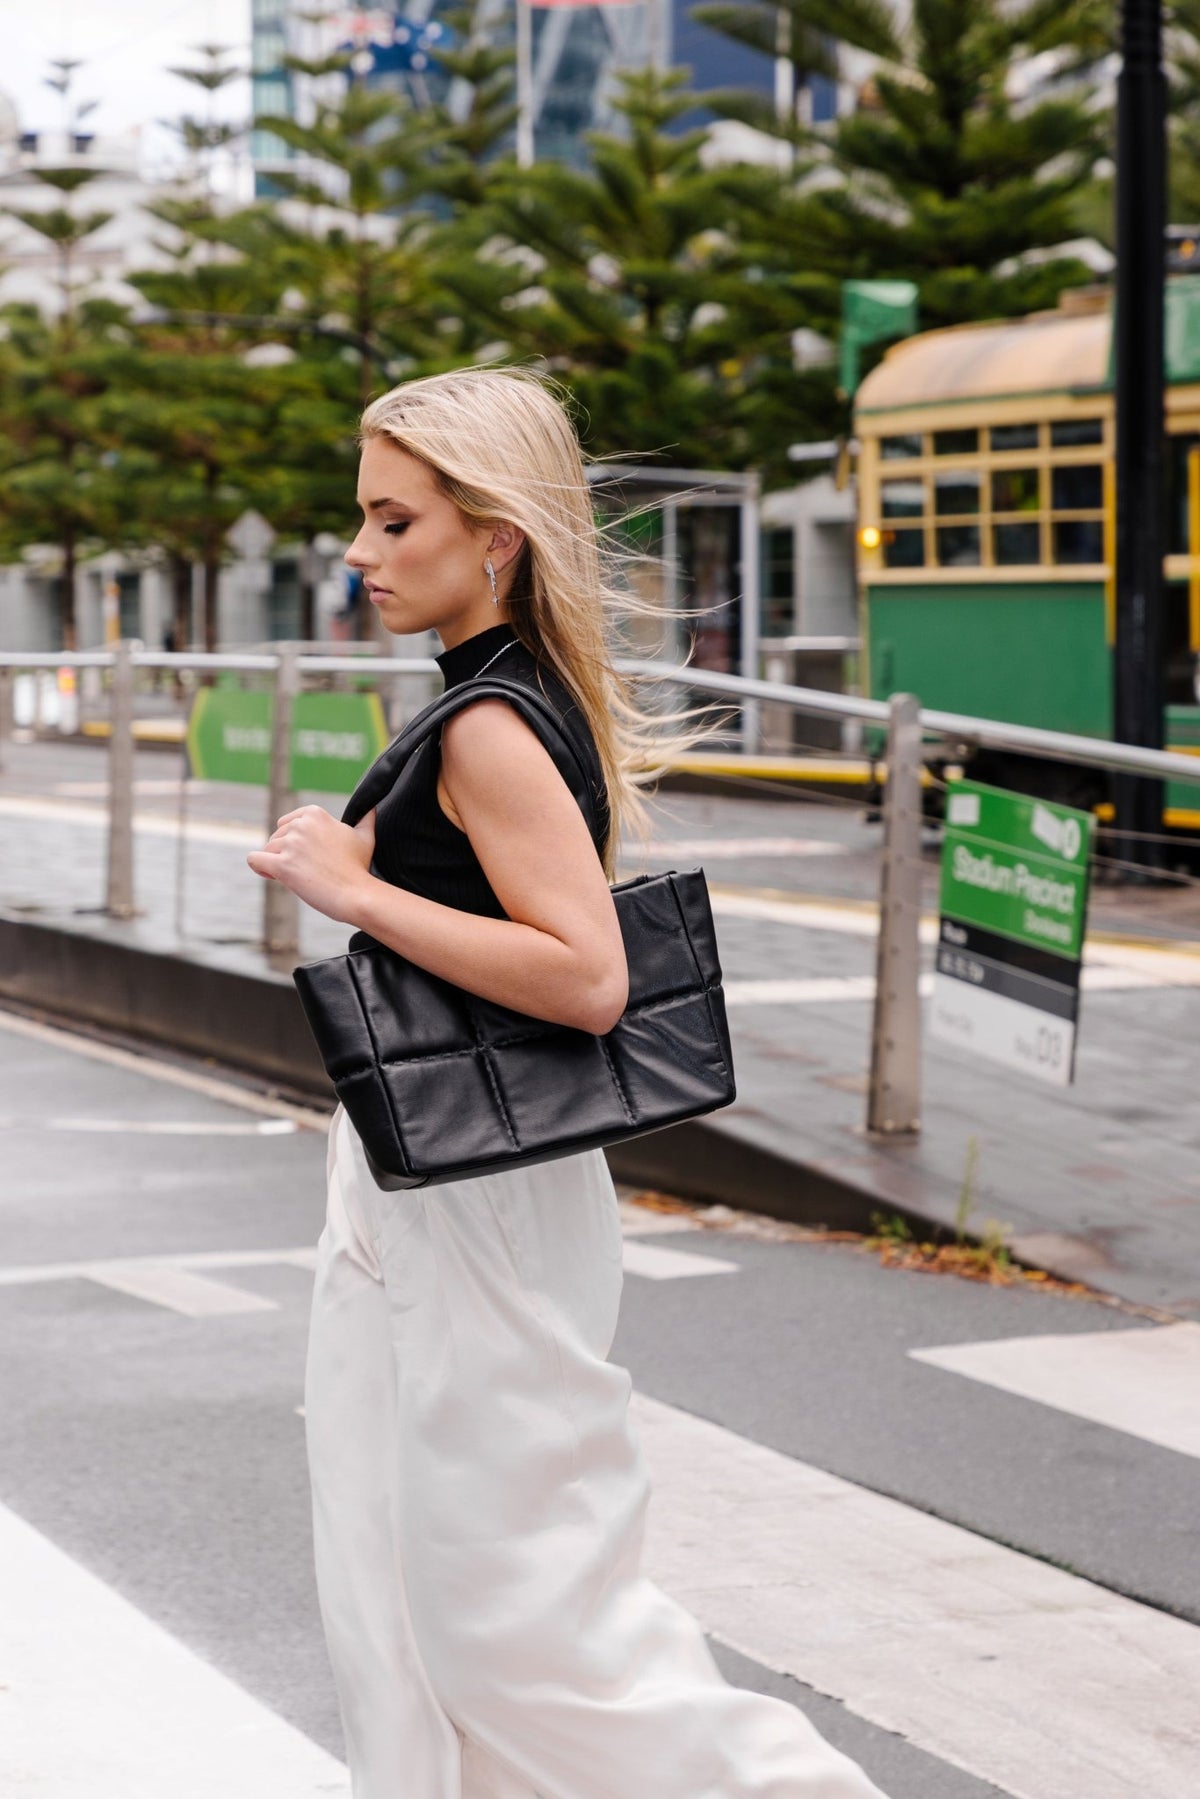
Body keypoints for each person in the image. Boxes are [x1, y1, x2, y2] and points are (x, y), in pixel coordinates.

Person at [247, 367, 889, 1799]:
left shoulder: (488, 724)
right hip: (445, 1175)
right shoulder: (496, 700)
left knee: (513, 1620)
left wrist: (350, 885)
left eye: (392, 518)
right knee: (402, 1588)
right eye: (362, 515)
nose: (359, 551)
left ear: (496, 538)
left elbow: (586, 976)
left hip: (476, 1190)